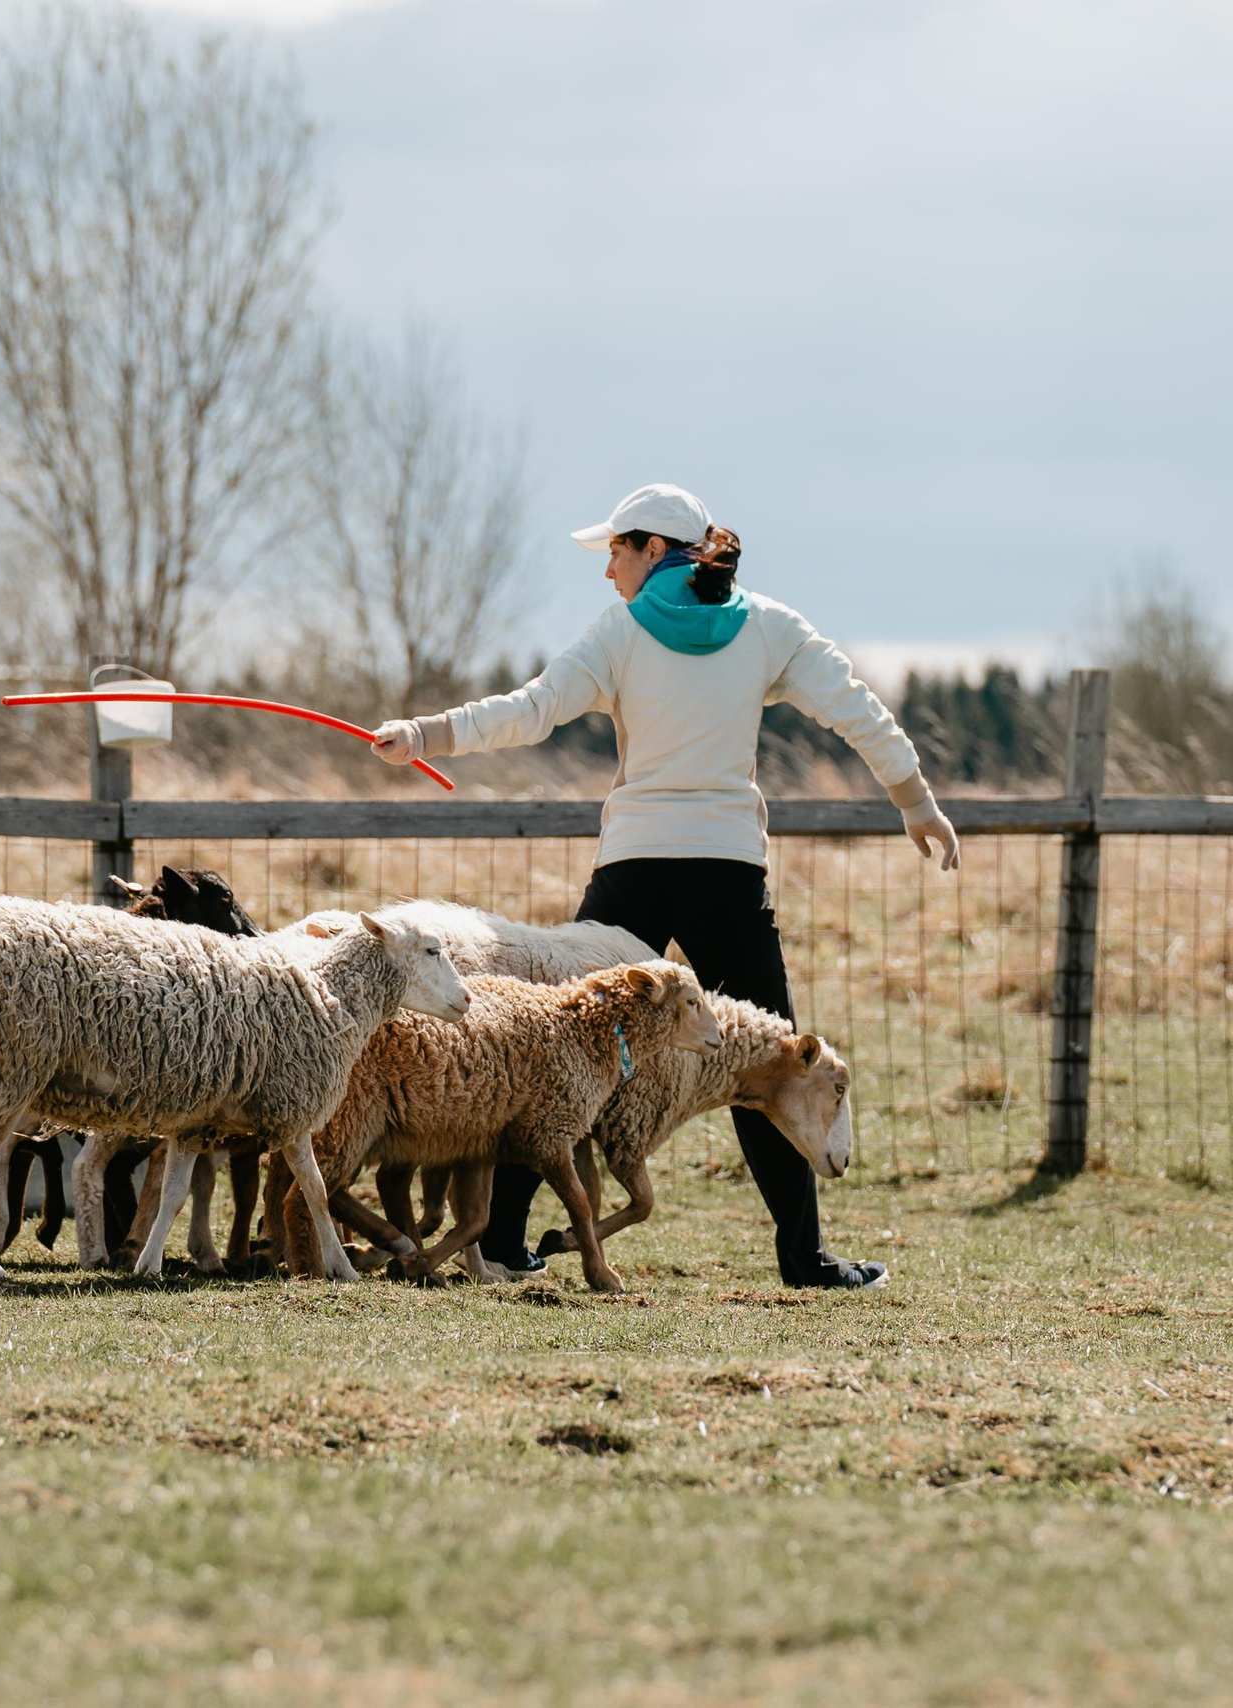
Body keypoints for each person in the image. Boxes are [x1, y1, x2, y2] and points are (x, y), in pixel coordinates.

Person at [370, 483, 958, 1288]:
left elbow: (532, 711)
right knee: (772, 1057)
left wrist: (427, 734)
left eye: (615, 548)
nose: (606, 567)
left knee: (551, 1049)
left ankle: (503, 1245)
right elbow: (856, 711)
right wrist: (915, 801)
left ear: (654, 549)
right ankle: (806, 1258)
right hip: (727, 874)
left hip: (634, 872)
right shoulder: (772, 627)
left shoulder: (620, 631)